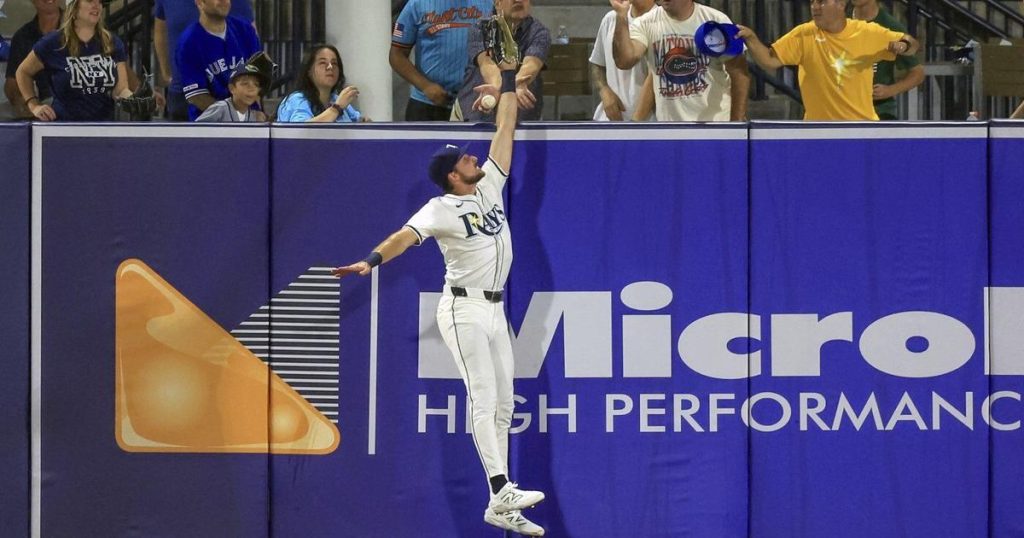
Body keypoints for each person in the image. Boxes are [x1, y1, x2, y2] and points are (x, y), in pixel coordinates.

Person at [332, 60, 545, 537]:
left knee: (507, 403)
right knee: (484, 396)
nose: (473, 159)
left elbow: (506, 122)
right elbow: (403, 237)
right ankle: (499, 484)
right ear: (452, 175)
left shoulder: (489, 183)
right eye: (464, 159)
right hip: (463, 307)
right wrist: (371, 261)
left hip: (494, 308)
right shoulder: (440, 207)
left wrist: (508, 79)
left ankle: (500, 503)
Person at [737, 0, 919, 121]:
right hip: (817, 131)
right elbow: (770, 60)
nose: (815, 6)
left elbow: (912, 44)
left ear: (840, 4)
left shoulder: (866, 32)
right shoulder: (804, 34)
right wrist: (751, 38)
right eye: (813, 2)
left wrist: (903, 45)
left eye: (822, 1)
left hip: (861, 128)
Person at [609, 0, 750, 121]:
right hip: (670, 129)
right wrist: (621, 16)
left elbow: (739, 74)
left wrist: (736, 125)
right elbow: (625, 61)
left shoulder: (715, 19)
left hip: (715, 126)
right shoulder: (645, 23)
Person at [15, 0, 135, 121]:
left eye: (99, 2)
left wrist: (135, 100)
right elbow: (23, 72)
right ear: (74, 6)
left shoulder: (112, 42)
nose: (96, 5)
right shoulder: (52, 43)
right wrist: (34, 105)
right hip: (64, 128)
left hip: (103, 129)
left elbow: (120, 89)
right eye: (89, 1)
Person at [390, 0, 493, 120]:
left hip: (478, 102)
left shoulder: (491, 3)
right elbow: (396, 55)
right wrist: (425, 86)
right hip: (428, 104)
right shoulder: (417, 4)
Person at [154, 0, 255, 121]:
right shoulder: (188, 40)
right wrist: (166, 72)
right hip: (184, 92)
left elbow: (252, 39)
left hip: (235, 94)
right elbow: (160, 30)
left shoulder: (239, 15)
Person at [452, 0, 550, 122]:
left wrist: (515, 85)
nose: (518, 0)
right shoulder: (480, 27)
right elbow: (487, 65)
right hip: (475, 115)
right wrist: (508, 87)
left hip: (523, 118)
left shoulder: (540, 32)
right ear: (497, 2)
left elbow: (531, 65)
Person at [850, 0, 924, 120]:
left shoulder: (890, 26)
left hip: (879, 109)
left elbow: (917, 73)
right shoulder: (839, 20)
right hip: (843, 106)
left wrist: (891, 90)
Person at [591, 0, 656, 121]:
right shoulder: (609, 19)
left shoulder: (661, 20)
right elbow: (597, 63)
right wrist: (604, 90)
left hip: (647, 124)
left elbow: (655, 78)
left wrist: (633, 125)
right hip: (608, 120)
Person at [275, 44, 366, 123]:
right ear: (309, 71)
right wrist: (336, 109)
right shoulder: (297, 99)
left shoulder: (336, 99)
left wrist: (364, 122)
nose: (330, 67)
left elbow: (357, 122)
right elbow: (302, 131)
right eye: (322, 63)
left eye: (334, 63)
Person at [4, 0, 62, 119]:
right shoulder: (23, 37)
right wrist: (31, 105)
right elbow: (12, 83)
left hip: (82, 105)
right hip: (46, 108)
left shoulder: (79, 28)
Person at [194, 60, 266, 122]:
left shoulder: (252, 116)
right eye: (245, 83)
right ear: (232, 88)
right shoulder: (220, 108)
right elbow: (194, 131)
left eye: (256, 84)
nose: (251, 88)